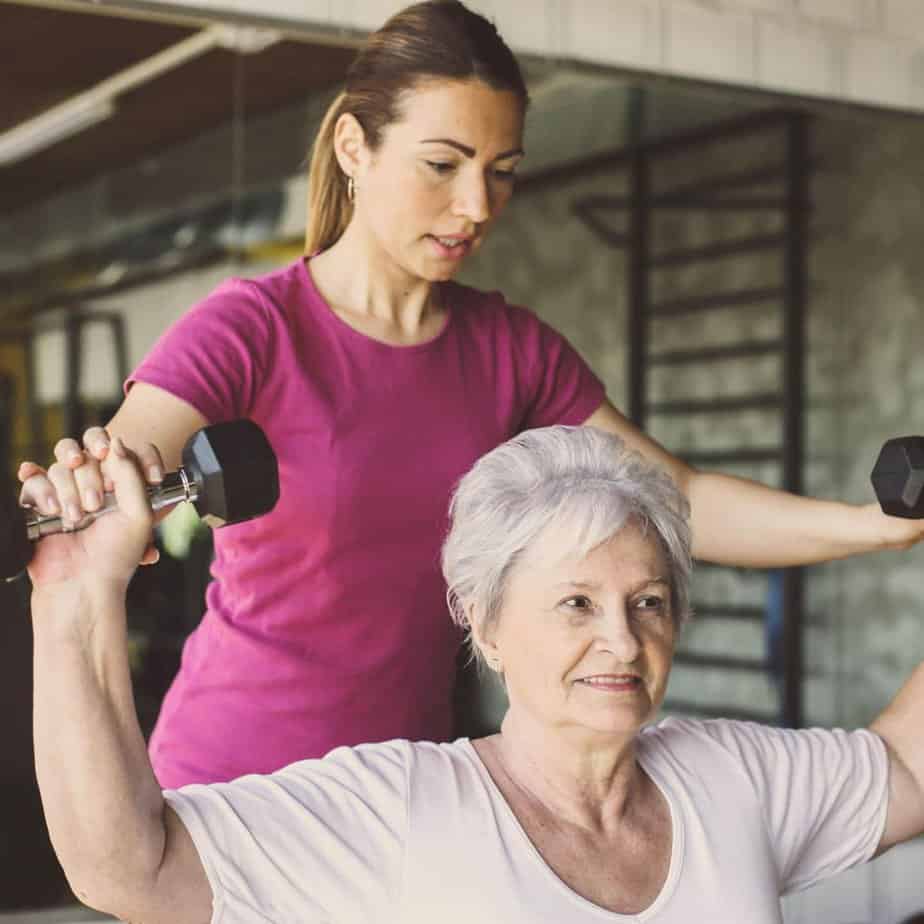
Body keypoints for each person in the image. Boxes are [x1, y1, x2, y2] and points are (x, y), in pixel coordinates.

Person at [17, 0, 924, 789]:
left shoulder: (508, 348)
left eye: (501, 170)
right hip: (236, 781)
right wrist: (91, 483)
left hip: (418, 781)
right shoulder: (254, 327)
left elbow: (676, 500)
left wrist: (868, 525)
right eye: (443, 165)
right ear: (352, 148)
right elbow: (135, 449)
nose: (478, 206)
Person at [28, 426, 924, 923]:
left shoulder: (733, 779)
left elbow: (909, 772)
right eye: (576, 604)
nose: (621, 640)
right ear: (487, 625)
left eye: (648, 602)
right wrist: (75, 602)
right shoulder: (400, 808)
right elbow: (128, 871)